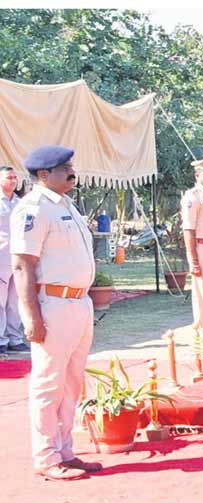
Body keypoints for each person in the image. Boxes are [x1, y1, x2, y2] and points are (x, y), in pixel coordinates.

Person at [9, 145, 102, 481]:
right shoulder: (32, 209)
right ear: (43, 175)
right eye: (64, 168)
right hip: (53, 305)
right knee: (49, 384)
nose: (71, 172)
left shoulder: (67, 205)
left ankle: (65, 450)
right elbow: (22, 265)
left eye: (70, 166)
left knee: (72, 382)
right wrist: (31, 317)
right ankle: (46, 456)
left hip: (79, 303)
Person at [180, 157, 203, 338]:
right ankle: (202, 332)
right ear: (197, 175)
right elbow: (189, 229)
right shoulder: (193, 196)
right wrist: (193, 260)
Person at [0, 165, 29, 353]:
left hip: (18, 257)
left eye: (14, 177)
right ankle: (1, 340)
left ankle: (14, 338)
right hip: (1, 256)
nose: (13, 180)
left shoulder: (20, 203)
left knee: (15, 300)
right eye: (9, 177)